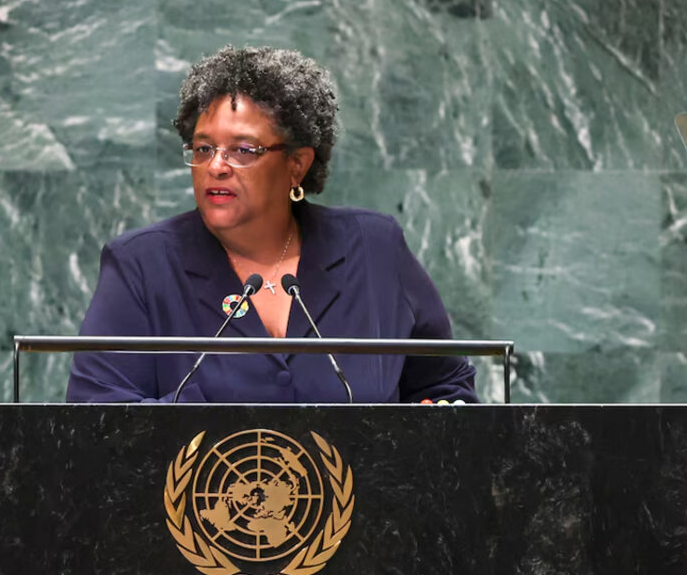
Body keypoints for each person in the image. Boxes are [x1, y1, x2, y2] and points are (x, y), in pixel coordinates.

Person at [66, 46, 477, 403]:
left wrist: (439, 422)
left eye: (243, 150)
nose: (216, 167)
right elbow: (96, 420)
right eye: (204, 148)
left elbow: (447, 385)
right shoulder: (140, 265)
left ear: (297, 164)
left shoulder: (374, 248)